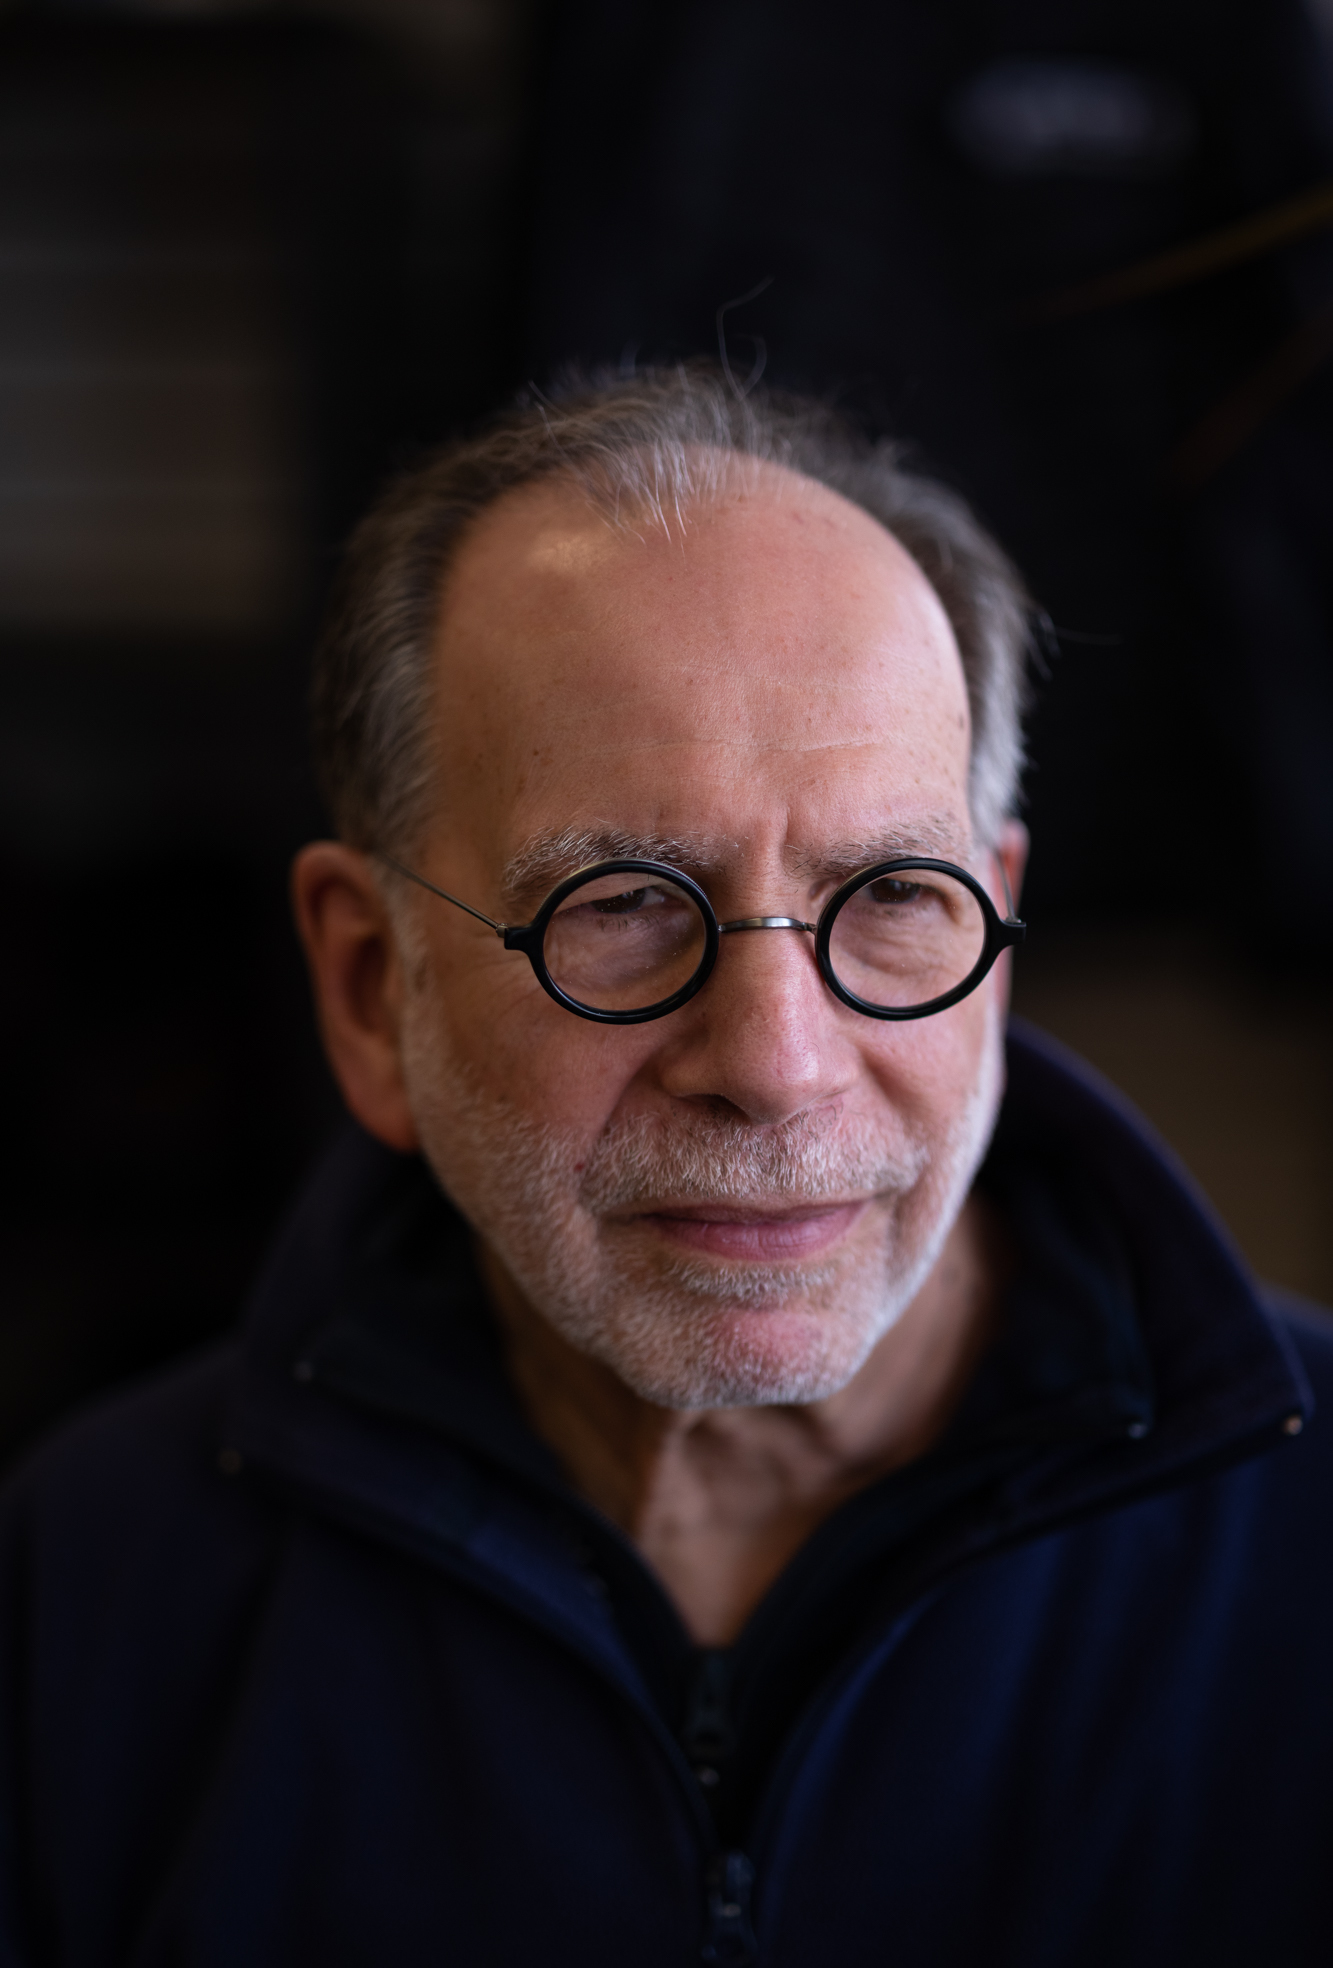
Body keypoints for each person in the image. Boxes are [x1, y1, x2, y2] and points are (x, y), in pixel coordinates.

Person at [1, 368, 1329, 1968]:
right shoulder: (83, 1594)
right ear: (368, 987)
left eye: (890, 897)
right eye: (622, 905)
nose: (775, 1062)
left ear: (991, 926)